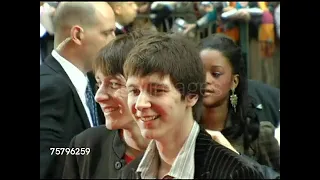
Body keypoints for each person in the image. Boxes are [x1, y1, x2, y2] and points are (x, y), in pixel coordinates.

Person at [119, 32, 264, 179]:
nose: (140, 104)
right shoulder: (129, 173)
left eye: (157, 91)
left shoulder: (235, 172)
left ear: (192, 95)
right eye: (134, 91)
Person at [62, 31, 154, 179]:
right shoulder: (85, 145)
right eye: (98, 83)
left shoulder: (190, 151)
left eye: (114, 84)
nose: (98, 97)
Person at [40, 2, 115, 179]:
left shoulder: (89, 80)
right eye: (106, 33)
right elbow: (50, 158)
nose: (114, 39)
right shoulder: (50, 88)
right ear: (77, 35)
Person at [199, 33, 280, 172]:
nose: (205, 80)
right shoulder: (182, 132)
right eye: (199, 72)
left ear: (234, 81)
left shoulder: (258, 136)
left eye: (216, 74)